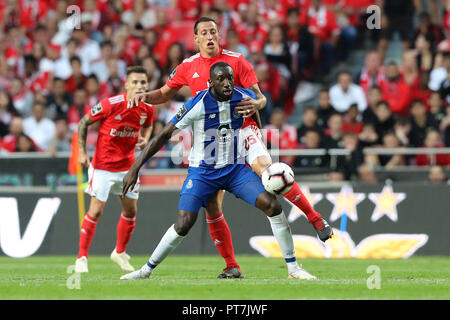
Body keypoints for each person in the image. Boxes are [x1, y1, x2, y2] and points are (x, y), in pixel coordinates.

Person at [128, 17, 332, 279]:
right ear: (197, 39)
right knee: (212, 208)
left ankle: (314, 219)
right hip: (211, 141)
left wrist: (258, 107)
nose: (210, 35)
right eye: (204, 32)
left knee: (270, 174)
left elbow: (259, 98)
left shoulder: (237, 60)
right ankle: (231, 265)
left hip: (243, 128)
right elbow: (165, 94)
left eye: (214, 31)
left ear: (219, 35)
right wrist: (145, 97)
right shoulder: (188, 67)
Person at [74, 66, 154, 273]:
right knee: (97, 209)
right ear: (126, 85)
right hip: (103, 167)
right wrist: (82, 152)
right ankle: (82, 257)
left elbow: (148, 125)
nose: (139, 86)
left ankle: (119, 252)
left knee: (130, 210)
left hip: (128, 168)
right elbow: (83, 123)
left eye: (143, 83)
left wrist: (145, 138)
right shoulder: (111, 104)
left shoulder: (148, 108)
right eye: (135, 82)